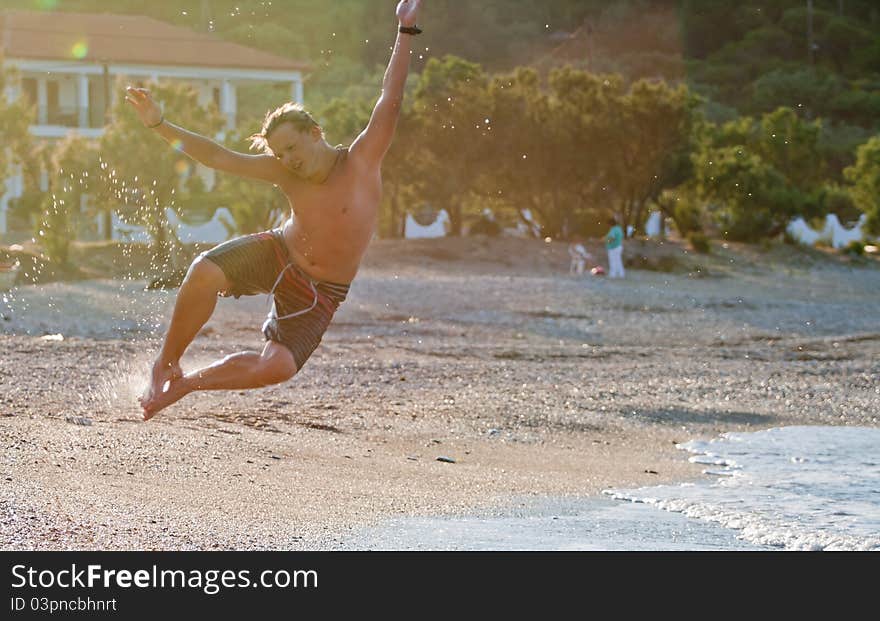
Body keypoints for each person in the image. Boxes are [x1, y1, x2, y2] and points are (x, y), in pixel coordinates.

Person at [128, 0, 424, 420]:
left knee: (278, 366)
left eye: (291, 146)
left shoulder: (361, 161)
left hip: (322, 291)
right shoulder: (285, 174)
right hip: (280, 254)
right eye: (278, 153)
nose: (287, 158)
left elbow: (389, 100)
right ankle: (166, 362)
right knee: (204, 270)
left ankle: (187, 384)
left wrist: (405, 31)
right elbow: (217, 157)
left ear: (315, 132)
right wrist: (160, 125)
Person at [605, 214, 625, 279]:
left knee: (613, 261)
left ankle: (612, 274)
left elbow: (612, 237)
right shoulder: (619, 228)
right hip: (619, 246)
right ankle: (621, 274)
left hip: (613, 247)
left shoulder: (613, 229)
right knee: (618, 261)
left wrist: (608, 242)